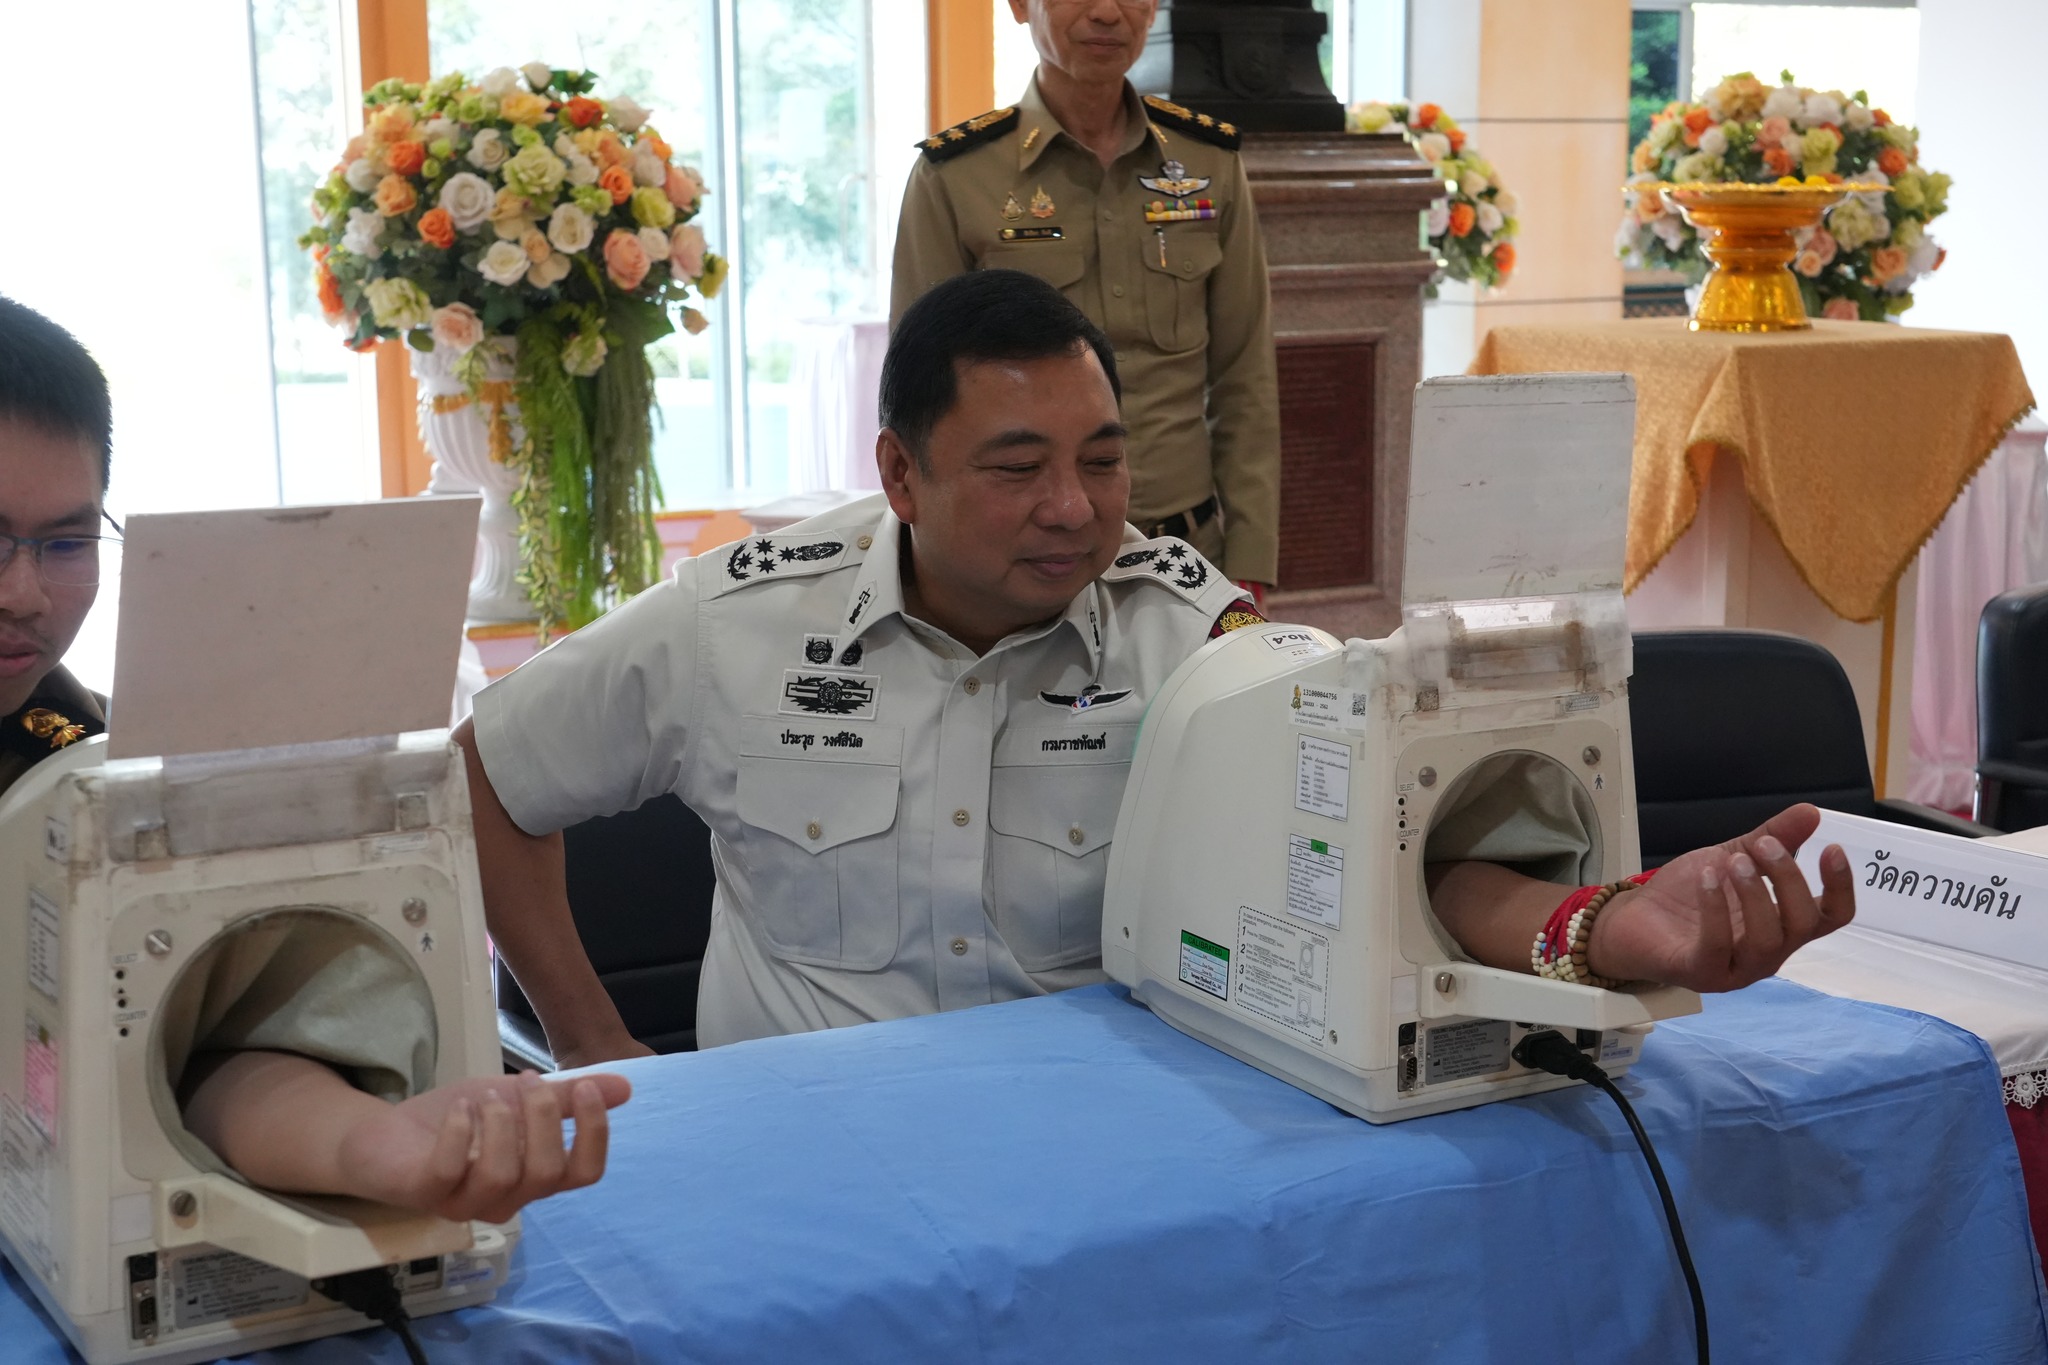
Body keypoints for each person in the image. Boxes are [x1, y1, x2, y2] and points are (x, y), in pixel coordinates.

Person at [460, 269, 1856, 1068]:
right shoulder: (735, 622)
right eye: (1017, 467)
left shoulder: (1185, 625)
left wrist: (1607, 926)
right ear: (899, 472)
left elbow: (1386, 844)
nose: (1074, 509)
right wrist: (590, 1040)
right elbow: (490, 774)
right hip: (802, 1149)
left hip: (1100, 1152)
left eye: (1104, 458)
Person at [0, 294, 626, 1222]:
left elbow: (197, 1045)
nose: (25, 594)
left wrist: (366, 1142)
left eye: (66, 542)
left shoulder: (86, 767)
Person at [890, 0, 1281, 593]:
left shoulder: (1208, 161)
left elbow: (1244, 376)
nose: (1105, 12)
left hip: (1187, 552)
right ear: (1019, 7)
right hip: (1024, 558)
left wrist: (1250, 560)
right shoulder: (956, 177)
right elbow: (919, 399)